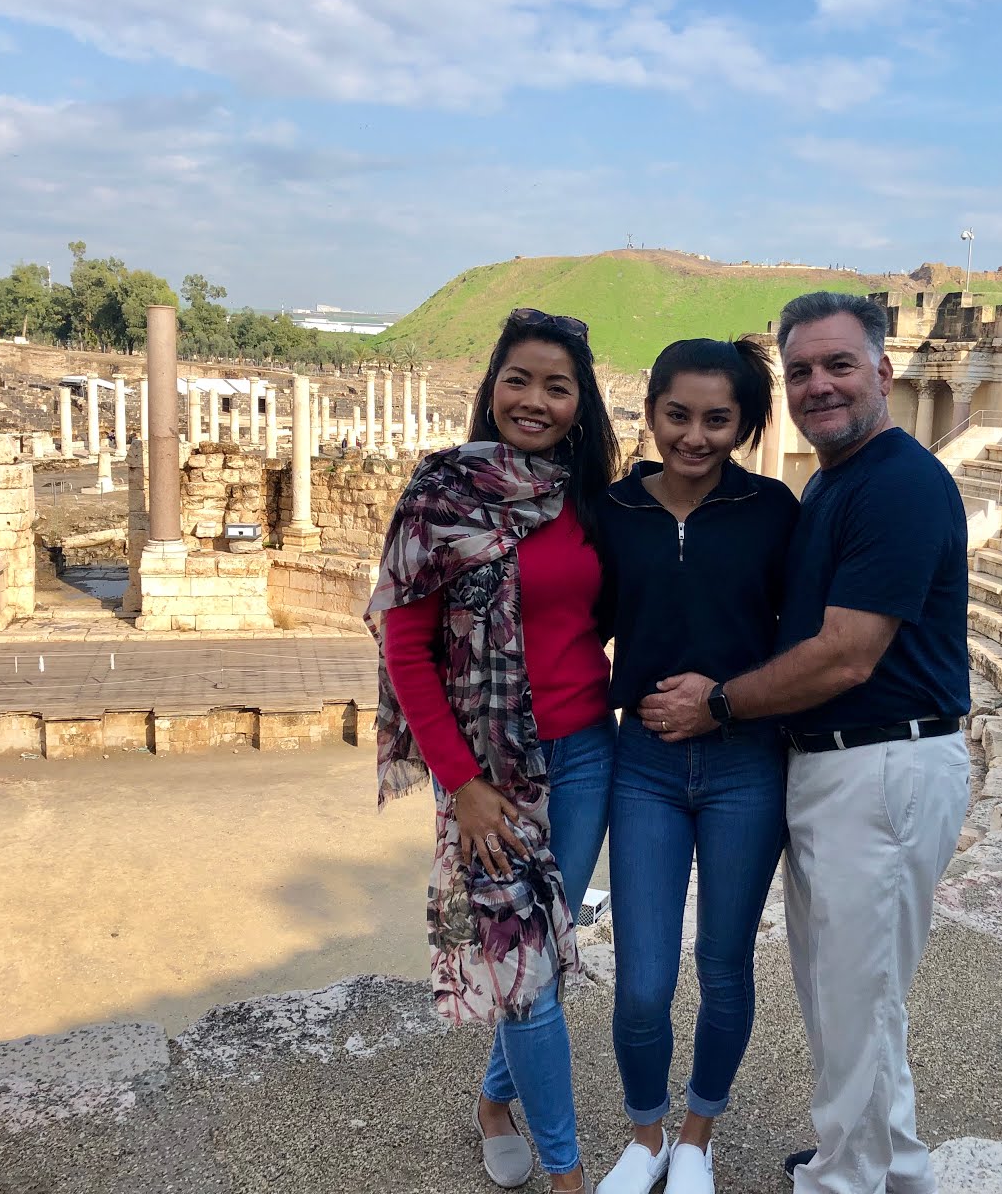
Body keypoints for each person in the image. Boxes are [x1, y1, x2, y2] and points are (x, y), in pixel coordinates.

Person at [638, 292, 970, 1194]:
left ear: (882, 372)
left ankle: (845, 1182)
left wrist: (717, 702)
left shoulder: (899, 483)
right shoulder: (834, 482)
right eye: (802, 372)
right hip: (844, 766)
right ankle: (885, 1166)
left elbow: (846, 655)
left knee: (855, 1001)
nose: (819, 386)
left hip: (884, 763)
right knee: (847, 997)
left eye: (839, 365)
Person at [368, 308, 621, 1194]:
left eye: (558, 386)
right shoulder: (440, 494)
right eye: (519, 379)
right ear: (491, 387)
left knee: (539, 954)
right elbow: (404, 652)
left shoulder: (592, 498)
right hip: (488, 775)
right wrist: (461, 783)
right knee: (527, 967)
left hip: (588, 752)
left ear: (580, 403)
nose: (535, 400)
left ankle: (492, 1102)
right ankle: (567, 1172)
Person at [593, 339, 799, 1194]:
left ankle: (697, 1137)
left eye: (719, 419)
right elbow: (577, 625)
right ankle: (644, 1138)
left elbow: (801, 637)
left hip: (747, 764)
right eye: (678, 415)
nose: (696, 436)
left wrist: (727, 695)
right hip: (641, 763)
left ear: (746, 424)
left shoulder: (774, 508)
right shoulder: (611, 510)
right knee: (641, 981)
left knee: (723, 965)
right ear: (651, 414)